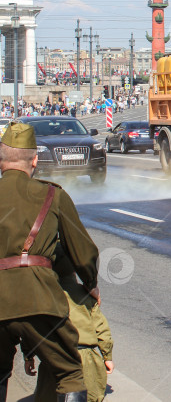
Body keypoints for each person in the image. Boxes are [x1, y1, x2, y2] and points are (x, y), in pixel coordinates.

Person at [0, 122, 100, 402]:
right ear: (34, 160)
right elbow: (84, 251)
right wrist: (90, 282)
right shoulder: (52, 194)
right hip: (39, 302)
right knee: (69, 374)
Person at [26, 246, 114, 402]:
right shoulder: (86, 294)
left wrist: (29, 356)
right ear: (74, 268)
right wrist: (107, 356)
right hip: (86, 357)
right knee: (88, 397)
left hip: (54, 355)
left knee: (50, 396)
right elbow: (101, 328)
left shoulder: (43, 294)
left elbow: (32, 328)